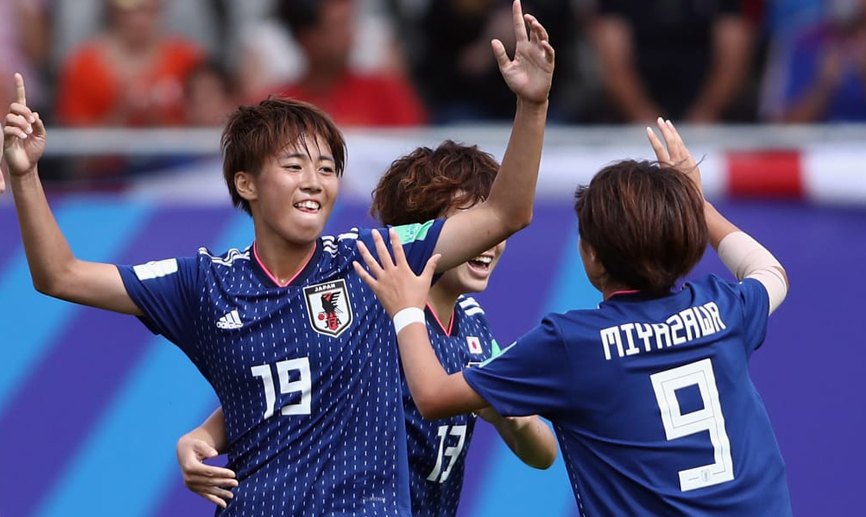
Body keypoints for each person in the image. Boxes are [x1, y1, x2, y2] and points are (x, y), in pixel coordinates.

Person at [2, 1, 554, 514]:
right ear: (245, 183)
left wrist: (531, 105)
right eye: (293, 166)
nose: (314, 183)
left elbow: (504, 214)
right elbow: (61, 275)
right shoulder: (204, 284)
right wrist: (26, 177)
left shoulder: (371, 259)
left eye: (327, 168)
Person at [354, 118, 793, 515]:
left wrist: (407, 311)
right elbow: (769, 271)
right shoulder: (720, 307)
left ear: (590, 256)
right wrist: (693, 202)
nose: (487, 238)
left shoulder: (572, 343)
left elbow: (435, 398)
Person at [175, 141, 558, 514]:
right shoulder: (372, 309)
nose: (489, 242)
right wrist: (204, 436)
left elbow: (544, 454)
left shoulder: (473, 322)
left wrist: (514, 420)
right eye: (473, 224)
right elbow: (294, 385)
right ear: (421, 232)